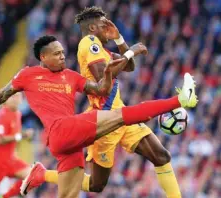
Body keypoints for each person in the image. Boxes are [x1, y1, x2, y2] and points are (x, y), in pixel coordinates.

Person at [0, 35, 197, 198]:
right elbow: (2, 94)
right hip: (61, 130)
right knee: (123, 116)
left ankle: (41, 174)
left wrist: (112, 69)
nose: (63, 56)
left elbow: (100, 89)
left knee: (89, 188)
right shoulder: (27, 75)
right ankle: (180, 100)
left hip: (68, 142)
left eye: (63, 52)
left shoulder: (70, 76)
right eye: (57, 53)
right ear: (43, 57)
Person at [20, 7, 196, 198]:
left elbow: (129, 66)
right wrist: (132, 52)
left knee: (161, 156)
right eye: (105, 25)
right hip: (103, 119)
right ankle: (43, 174)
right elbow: (103, 76)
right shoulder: (88, 43)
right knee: (97, 185)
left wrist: (120, 40)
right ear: (94, 27)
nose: (109, 27)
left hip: (119, 111)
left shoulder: (101, 48)